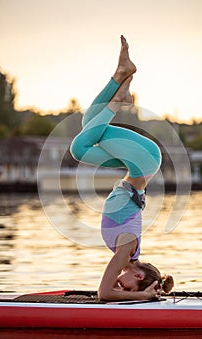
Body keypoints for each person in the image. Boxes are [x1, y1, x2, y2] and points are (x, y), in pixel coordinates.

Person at [70, 35, 174, 301]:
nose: (120, 286)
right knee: (79, 147)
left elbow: (111, 290)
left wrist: (146, 293)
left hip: (138, 163)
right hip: (145, 161)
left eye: (123, 291)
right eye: (126, 288)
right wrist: (145, 297)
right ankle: (118, 101)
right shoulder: (125, 251)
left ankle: (120, 75)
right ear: (138, 276)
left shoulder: (125, 252)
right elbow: (104, 294)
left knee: (88, 125)